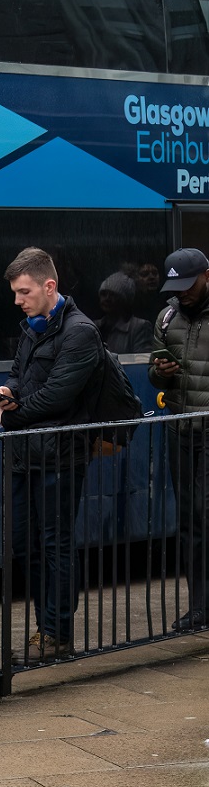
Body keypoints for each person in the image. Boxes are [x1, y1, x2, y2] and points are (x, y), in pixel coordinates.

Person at [0, 246, 101, 661]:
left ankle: (56, 632)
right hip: (25, 455)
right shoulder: (31, 327)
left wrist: (15, 416)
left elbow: (59, 393)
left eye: (24, 292)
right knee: (25, 543)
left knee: (55, 543)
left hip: (60, 455)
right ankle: (45, 629)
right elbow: (21, 375)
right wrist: (8, 391)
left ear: (49, 286)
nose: (18, 302)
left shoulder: (79, 331)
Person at [148, 247, 209, 633]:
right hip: (180, 428)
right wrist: (160, 371)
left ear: (207, 276)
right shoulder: (166, 317)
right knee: (190, 520)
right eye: (176, 287)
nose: (183, 293)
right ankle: (200, 606)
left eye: (189, 285)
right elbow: (156, 380)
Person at [98, 271, 156, 355]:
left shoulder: (139, 328)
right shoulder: (94, 326)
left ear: (124, 300)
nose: (107, 299)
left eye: (113, 295)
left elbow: (141, 362)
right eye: (103, 294)